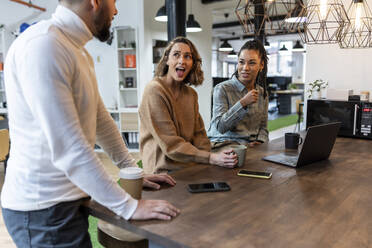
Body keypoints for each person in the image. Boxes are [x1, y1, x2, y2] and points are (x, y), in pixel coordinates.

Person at [1, 1, 179, 247]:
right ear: (95, 2)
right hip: (43, 209)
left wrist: (131, 169)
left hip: (68, 201)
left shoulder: (77, 50)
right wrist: (128, 206)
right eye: (114, 2)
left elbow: (100, 119)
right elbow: (68, 147)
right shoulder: (44, 46)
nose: (116, 11)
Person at [139, 37, 237, 174]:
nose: (182, 61)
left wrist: (213, 158)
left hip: (190, 165)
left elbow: (199, 135)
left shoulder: (191, 94)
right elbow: (171, 145)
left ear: (193, 63)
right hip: (163, 171)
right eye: (176, 55)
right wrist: (210, 158)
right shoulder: (154, 91)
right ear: (167, 60)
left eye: (187, 56)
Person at [208, 40, 269, 148]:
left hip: (250, 146)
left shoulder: (262, 93)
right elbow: (221, 127)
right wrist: (243, 103)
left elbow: (263, 127)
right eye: (241, 62)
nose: (245, 68)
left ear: (261, 65)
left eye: (252, 63)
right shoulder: (222, 89)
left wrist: (260, 141)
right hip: (222, 144)